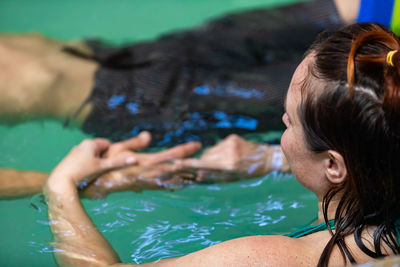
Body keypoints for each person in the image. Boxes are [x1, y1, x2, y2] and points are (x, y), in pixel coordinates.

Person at [42, 22, 400, 266]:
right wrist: (269, 159)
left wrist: (61, 188)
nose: (282, 123)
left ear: (334, 166)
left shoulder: (279, 259)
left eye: (289, 121)